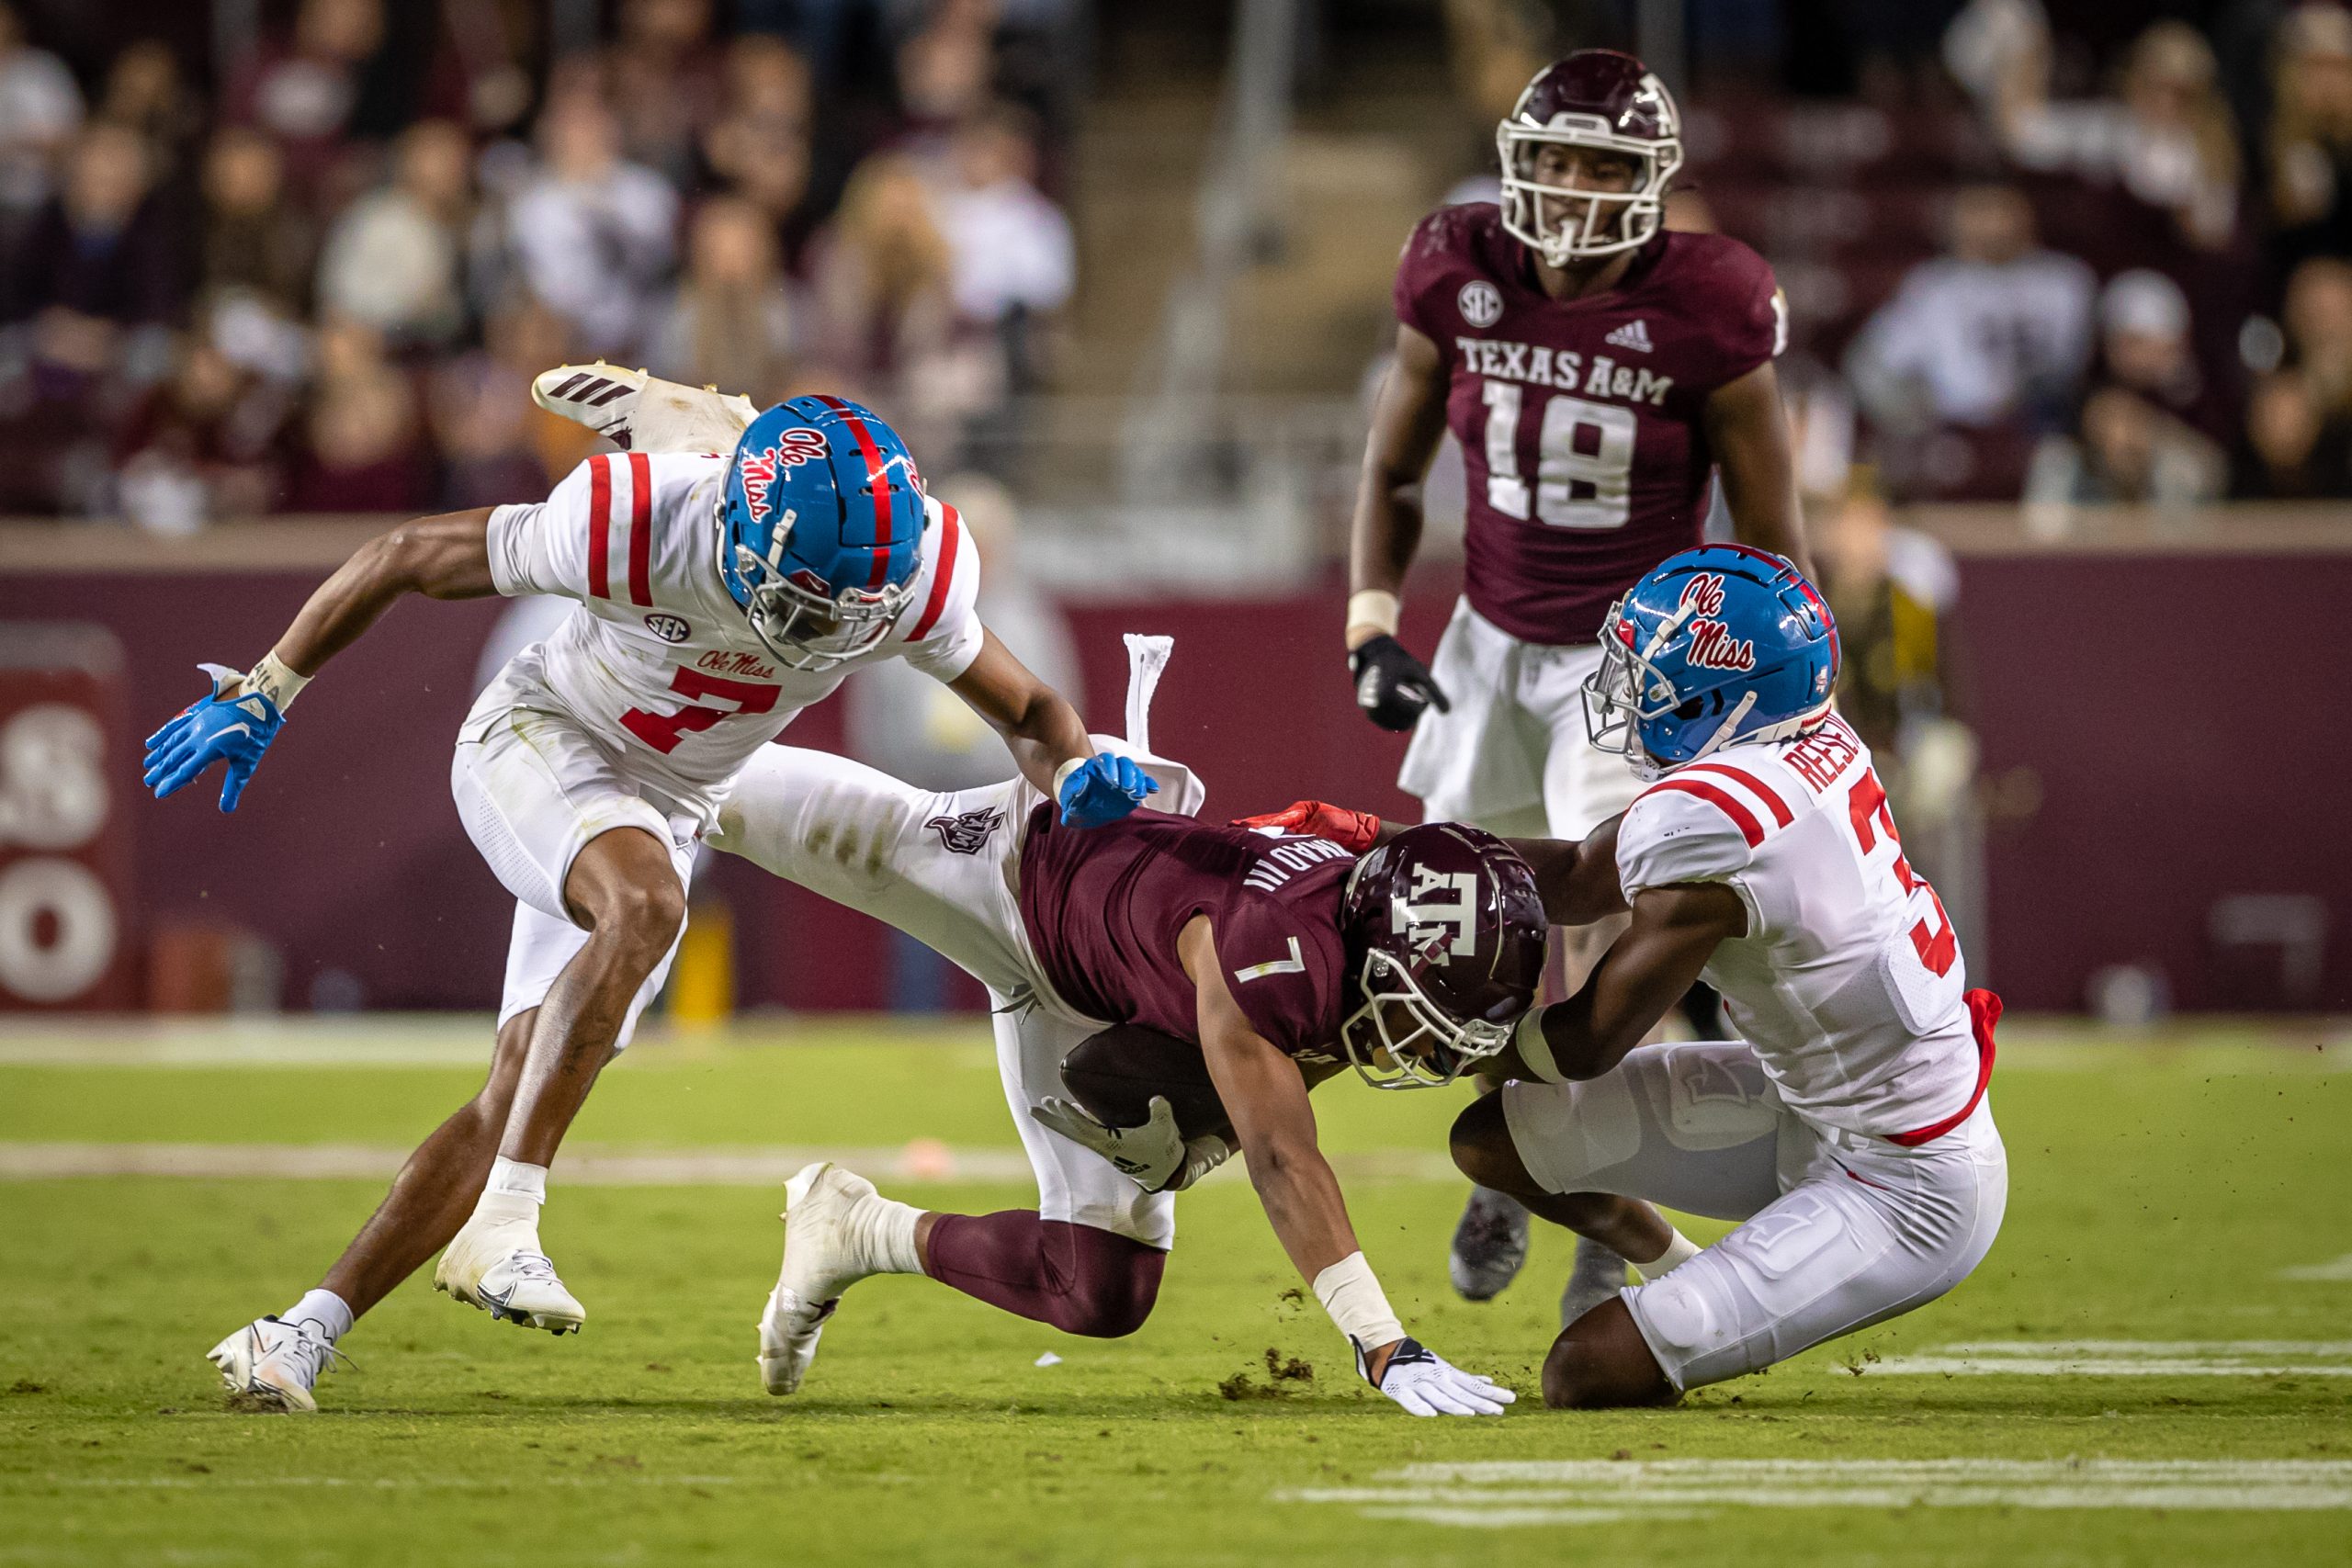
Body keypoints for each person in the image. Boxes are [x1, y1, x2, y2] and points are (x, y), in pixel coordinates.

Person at [150, 389, 1158, 1412]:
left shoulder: (905, 571)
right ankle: (508, 1214)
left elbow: (1029, 708)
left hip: (683, 792)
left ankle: (296, 1336)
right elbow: (410, 552)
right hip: (544, 738)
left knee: (520, 1079)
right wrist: (269, 684)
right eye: (812, 597)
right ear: (736, 529)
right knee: (647, 907)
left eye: (861, 602)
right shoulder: (632, 522)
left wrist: (1070, 767)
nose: (834, 626)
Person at [1267, 545, 2007, 1408]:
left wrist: (1448, 1032)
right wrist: (1377, 840)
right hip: (1811, 1104)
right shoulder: (1802, 741)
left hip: (1903, 1179)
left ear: (1723, 700)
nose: (1627, 697)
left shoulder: (1721, 820)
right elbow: (1581, 874)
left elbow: (1586, 1041)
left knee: (1581, 1372)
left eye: (1649, 680)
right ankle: (1687, 1274)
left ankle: (1729, 1307)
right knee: (1494, 1140)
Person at [705, 698, 1541, 1419]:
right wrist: (1382, 1341)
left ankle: (852, 1230)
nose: (1424, 1047)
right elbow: (1283, 1157)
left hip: (1104, 982)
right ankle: (605, 712)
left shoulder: (1350, 933)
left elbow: (1299, 1056)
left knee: (1100, 1289)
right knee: (713, 785)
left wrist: (1199, 1147)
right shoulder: (1272, 952)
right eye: (1425, 1016)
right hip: (1009, 874)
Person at [1341, 50, 1809, 1318]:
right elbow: (1393, 471)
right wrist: (1372, 619)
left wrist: (1783, 705)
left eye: (1603, 165)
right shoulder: (1457, 265)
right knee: (1481, 931)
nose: (1571, 186)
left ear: (1654, 181)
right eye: (1552, 158)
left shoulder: (1709, 302)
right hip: (1489, 645)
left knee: (1611, 931)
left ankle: (1601, 1201)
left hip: (1635, 663)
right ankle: (1519, 1153)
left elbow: (1772, 538)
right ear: (1514, 160)